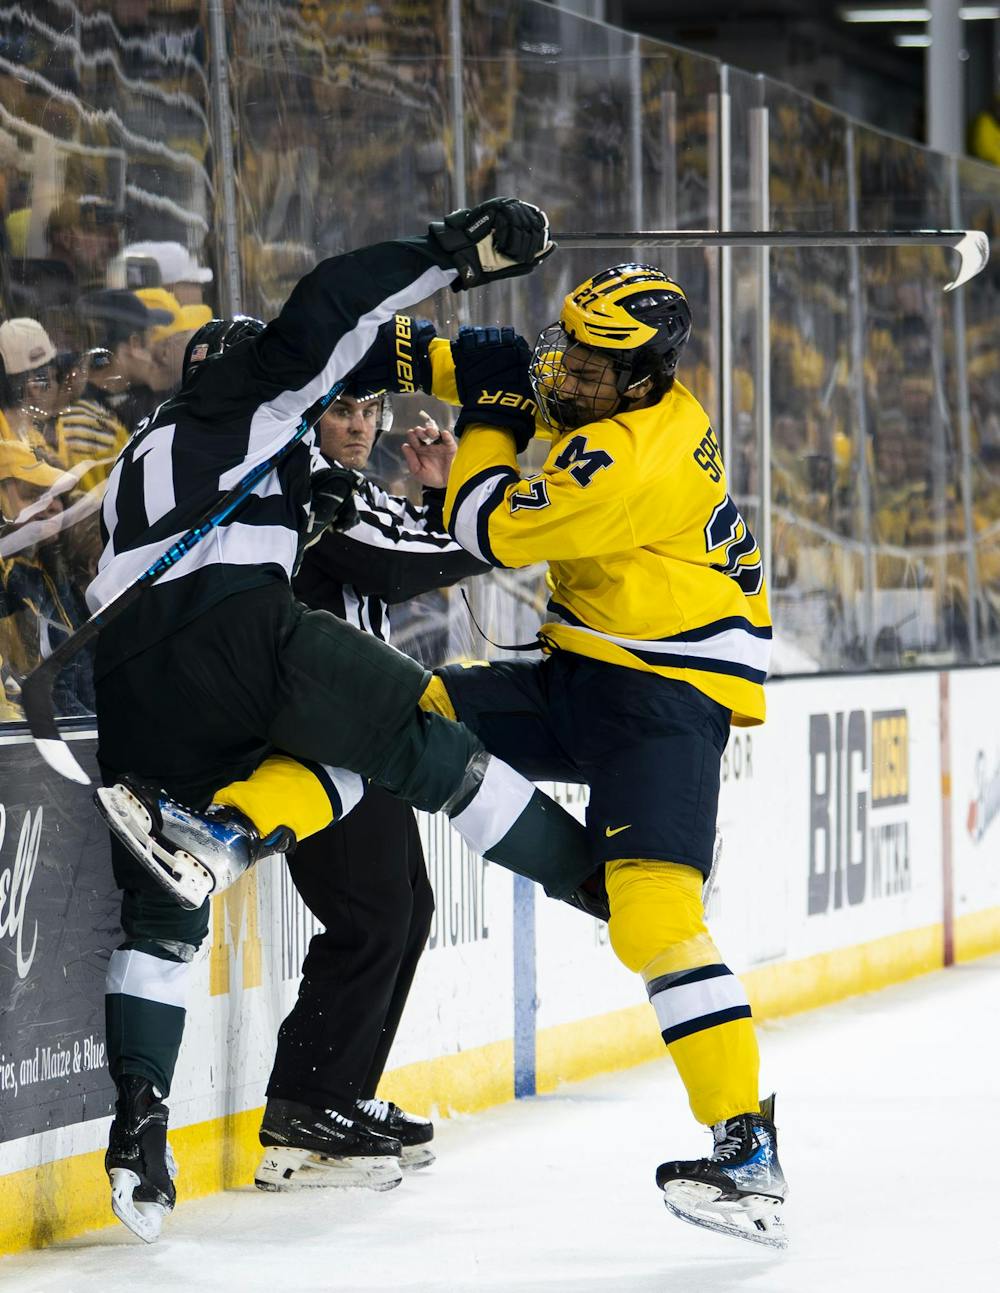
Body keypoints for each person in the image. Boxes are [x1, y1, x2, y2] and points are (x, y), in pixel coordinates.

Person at [134, 265, 789, 1248]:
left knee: (652, 921)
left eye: (588, 366)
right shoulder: (599, 381)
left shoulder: (634, 460)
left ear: (644, 379)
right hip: (586, 665)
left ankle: (745, 1148)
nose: (563, 374)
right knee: (390, 713)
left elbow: (480, 521)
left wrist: (486, 413)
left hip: (666, 700)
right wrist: (322, 340)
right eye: (563, 349)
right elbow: (450, 360)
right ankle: (223, 833)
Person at [86, 197, 602, 1243]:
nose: (338, 403)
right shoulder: (252, 395)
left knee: (163, 918)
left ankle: (139, 1128)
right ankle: (599, 880)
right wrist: (452, 255)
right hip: (235, 638)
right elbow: (327, 306)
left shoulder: (151, 452)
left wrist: (303, 505)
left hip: (130, 683)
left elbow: (220, 512)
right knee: (419, 738)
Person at [256, 391, 486, 1191]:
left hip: (361, 722)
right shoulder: (300, 476)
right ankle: (307, 1106)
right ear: (309, 415)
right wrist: (488, 522)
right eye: (344, 409)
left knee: (407, 908)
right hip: (318, 729)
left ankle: (339, 1096)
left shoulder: (345, 483)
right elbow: (391, 561)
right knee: (371, 914)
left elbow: (401, 543)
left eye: (372, 410)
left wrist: (440, 493)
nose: (361, 425)